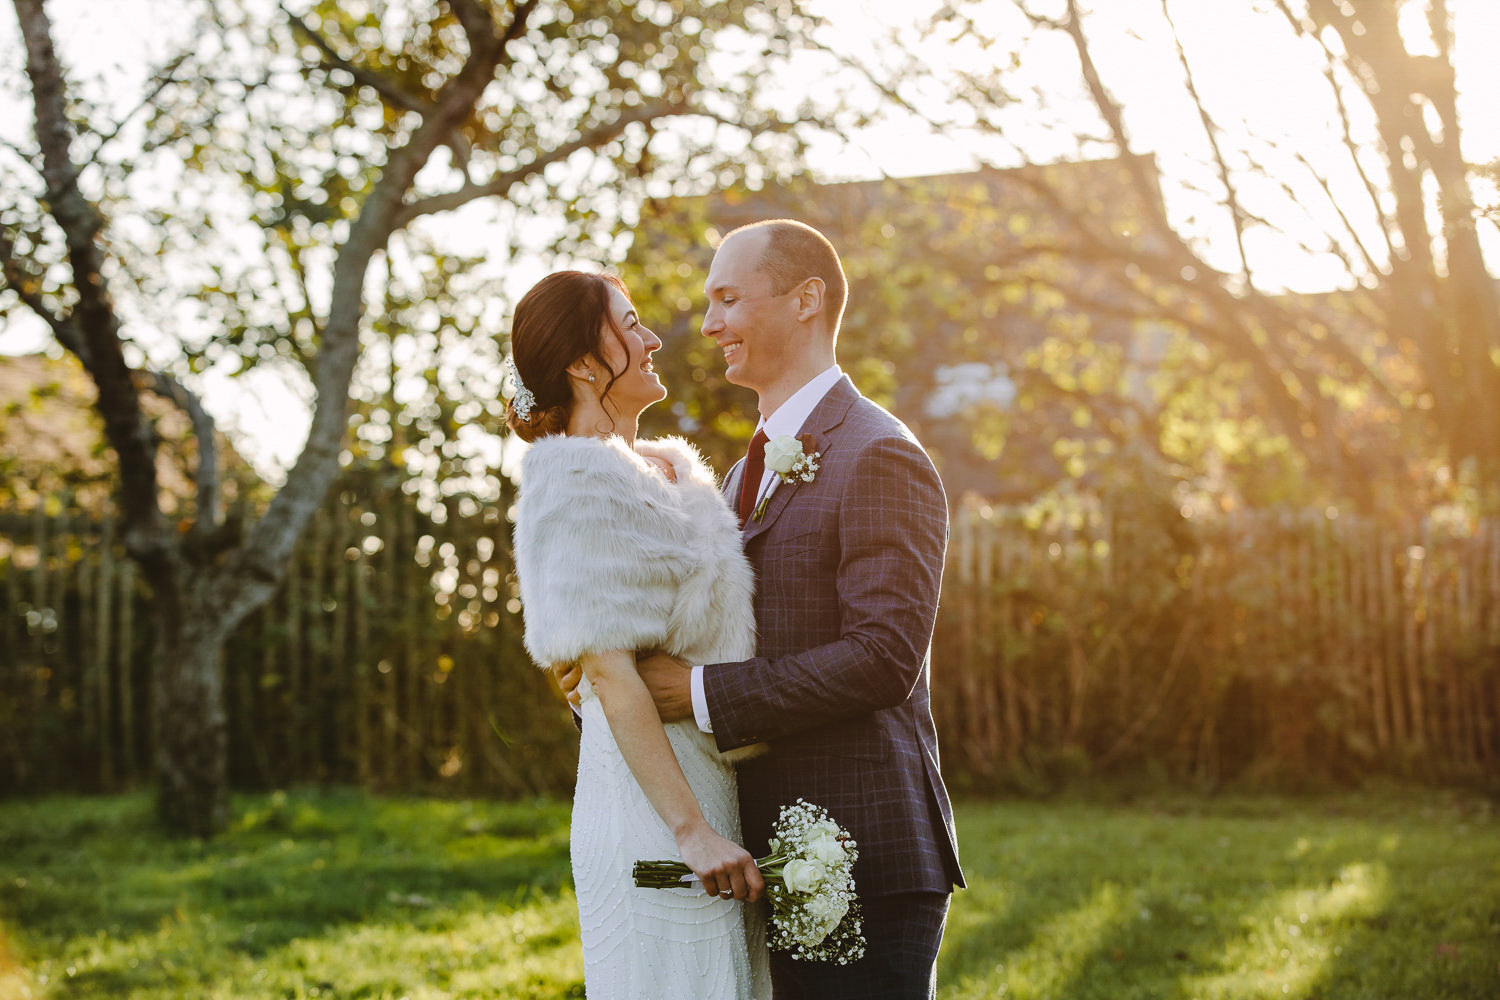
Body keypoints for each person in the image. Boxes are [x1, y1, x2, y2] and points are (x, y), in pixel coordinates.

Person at [559, 219, 964, 998]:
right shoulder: (741, 475)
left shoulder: (878, 452)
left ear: (806, 299)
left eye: (728, 299)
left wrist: (700, 693)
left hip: (862, 848)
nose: (708, 325)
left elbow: (884, 656)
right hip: (760, 851)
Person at [506, 270, 770, 999]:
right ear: (584, 365)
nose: (652, 337)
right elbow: (610, 673)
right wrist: (692, 833)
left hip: (716, 776)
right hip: (654, 805)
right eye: (629, 324)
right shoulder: (573, 476)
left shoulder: (668, 465)